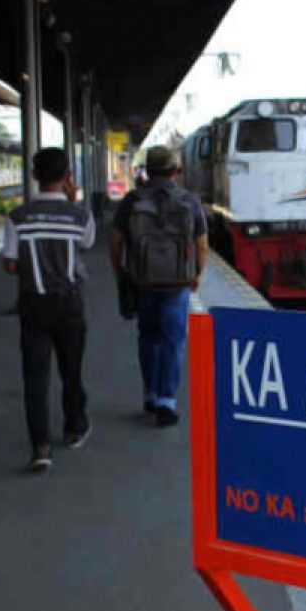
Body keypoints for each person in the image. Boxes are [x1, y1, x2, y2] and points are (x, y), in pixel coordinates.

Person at [3, 147, 95, 471]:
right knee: (71, 370)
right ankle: (74, 428)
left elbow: (10, 265)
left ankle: (40, 446)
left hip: (33, 304)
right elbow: (86, 244)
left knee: (35, 376)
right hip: (69, 303)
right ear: (67, 177)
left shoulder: (17, 217)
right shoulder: (80, 215)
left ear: (34, 176)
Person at [109, 145, 208, 428]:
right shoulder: (189, 201)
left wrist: (122, 274)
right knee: (173, 341)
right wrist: (197, 273)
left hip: (143, 281)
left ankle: (150, 394)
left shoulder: (132, 200)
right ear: (175, 171)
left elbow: (115, 243)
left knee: (148, 337)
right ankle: (167, 400)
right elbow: (202, 245)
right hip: (177, 282)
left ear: (147, 171)